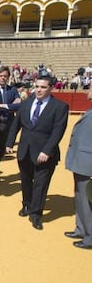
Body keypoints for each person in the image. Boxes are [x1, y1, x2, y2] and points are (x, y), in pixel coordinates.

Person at [6, 76, 69, 230]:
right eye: (37, 86)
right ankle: (26, 205)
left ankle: (36, 214)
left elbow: (58, 132)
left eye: (43, 87)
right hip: (25, 150)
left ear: (51, 88)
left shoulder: (60, 106)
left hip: (45, 152)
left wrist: (47, 150)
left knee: (40, 185)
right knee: (26, 181)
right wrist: (9, 143)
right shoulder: (26, 103)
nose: (39, 90)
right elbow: (16, 124)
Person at [64, 86, 92, 249]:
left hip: (88, 165)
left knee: (87, 201)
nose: (88, 91)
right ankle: (81, 228)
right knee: (80, 197)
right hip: (82, 162)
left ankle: (90, 237)